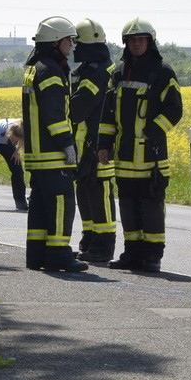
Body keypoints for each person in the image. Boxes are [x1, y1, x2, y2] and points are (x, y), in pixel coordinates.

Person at [97, 17, 183, 273]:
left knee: (151, 208)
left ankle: (153, 256)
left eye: (141, 40)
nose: (137, 44)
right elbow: (108, 113)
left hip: (151, 156)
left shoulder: (163, 72)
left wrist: (153, 131)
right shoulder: (119, 73)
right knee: (129, 207)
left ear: (150, 42)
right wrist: (104, 144)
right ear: (126, 43)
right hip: (124, 157)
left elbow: (175, 109)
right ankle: (132, 253)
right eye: (132, 40)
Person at [22, 16, 87, 273]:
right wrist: (67, 143)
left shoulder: (34, 67)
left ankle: (37, 255)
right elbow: (54, 113)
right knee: (62, 203)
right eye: (68, 40)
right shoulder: (50, 71)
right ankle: (59, 255)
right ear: (56, 42)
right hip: (52, 154)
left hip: (37, 155)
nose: (71, 46)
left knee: (39, 206)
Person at [70, 18, 117, 262]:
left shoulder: (98, 72)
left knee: (100, 196)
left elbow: (79, 108)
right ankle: (89, 240)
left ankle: (103, 245)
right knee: (86, 195)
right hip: (84, 146)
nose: (74, 48)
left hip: (98, 146)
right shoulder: (89, 69)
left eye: (76, 43)